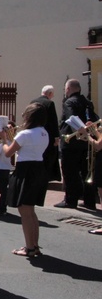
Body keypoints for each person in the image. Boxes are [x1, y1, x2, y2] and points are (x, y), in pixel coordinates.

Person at [0, 103, 49, 257]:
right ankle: (34, 245)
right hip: (38, 169)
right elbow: (24, 146)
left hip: (25, 170)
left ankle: (29, 248)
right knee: (31, 211)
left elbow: (8, 153)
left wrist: (3, 140)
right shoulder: (43, 132)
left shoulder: (25, 134)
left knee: (25, 212)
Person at [57, 79, 98, 209]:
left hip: (71, 143)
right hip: (86, 143)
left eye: (65, 89)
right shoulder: (88, 102)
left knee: (70, 172)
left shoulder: (69, 102)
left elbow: (71, 118)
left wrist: (79, 130)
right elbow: (94, 119)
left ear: (68, 89)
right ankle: (89, 201)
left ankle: (70, 200)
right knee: (86, 171)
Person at [31, 85, 61, 183]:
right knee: (48, 158)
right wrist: (57, 137)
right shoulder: (49, 103)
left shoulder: (33, 102)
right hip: (47, 135)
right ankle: (46, 177)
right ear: (50, 93)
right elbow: (53, 121)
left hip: (34, 134)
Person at [0, 121, 16, 216]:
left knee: (3, 190)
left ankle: (2, 208)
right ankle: (2, 207)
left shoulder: (3, 144)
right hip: (6, 168)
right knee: (4, 189)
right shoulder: (12, 142)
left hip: (0, 168)